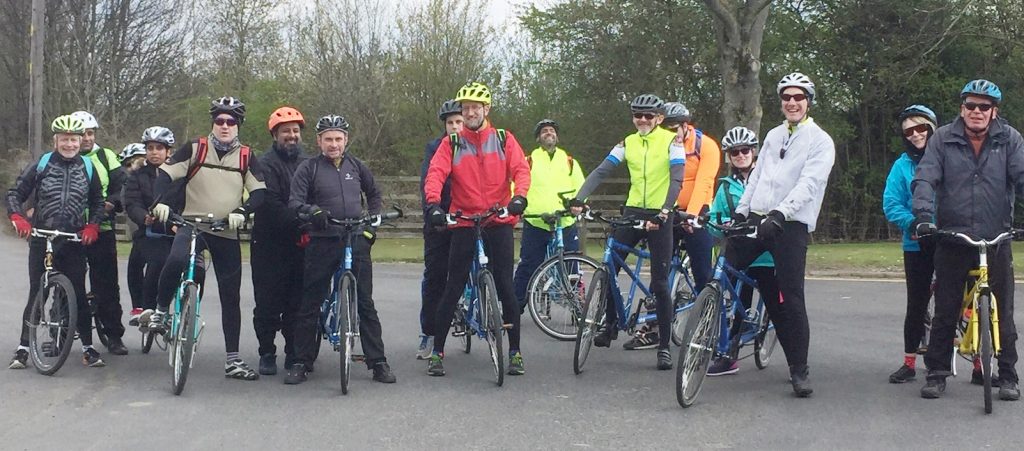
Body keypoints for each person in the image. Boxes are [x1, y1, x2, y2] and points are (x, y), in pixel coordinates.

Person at [912, 79, 1021, 401]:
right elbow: (926, 177)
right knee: (946, 309)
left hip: (995, 235)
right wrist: (922, 217)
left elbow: (1022, 175)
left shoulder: (1009, 139)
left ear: (994, 111)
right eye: (970, 106)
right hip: (953, 236)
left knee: (1005, 311)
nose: (976, 112)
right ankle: (936, 373)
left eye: (983, 107)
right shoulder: (943, 138)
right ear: (962, 108)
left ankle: (1008, 375)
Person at [728, 72, 836, 397]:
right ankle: (716, 338)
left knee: (791, 298)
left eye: (798, 97)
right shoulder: (774, 135)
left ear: (808, 102)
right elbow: (757, 177)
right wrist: (740, 212)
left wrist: (780, 213)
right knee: (723, 271)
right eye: (786, 97)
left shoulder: (820, 140)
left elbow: (809, 184)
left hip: (790, 225)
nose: (792, 102)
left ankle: (799, 370)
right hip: (759, 218)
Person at [149, 96, 266, 381]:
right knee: (176, 259)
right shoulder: (195, 148)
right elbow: (165, 175)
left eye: (231, 121)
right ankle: (161, 311)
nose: (225, 126)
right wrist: (160, 202)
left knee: (230, 295)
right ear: (213, 123)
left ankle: (233, 360)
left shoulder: (247, 156)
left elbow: (261, 192)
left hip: (225, 230)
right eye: (220, 120)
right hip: (192, 224)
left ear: (238, 125)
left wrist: (243, 210)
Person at [570, 93, 686, 370]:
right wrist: (579, 197)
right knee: (611, 266)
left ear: (659, 118)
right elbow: (602, 171)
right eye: (638, 115)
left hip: (661, 213)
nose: (642, 120)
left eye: (648, 116)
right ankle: (610, 325)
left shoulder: (672, 141)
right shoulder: (628, 142)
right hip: (633, 209)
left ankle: (663, 345)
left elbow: (677, 179)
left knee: (659, 282)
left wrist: (666, 210)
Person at [423, 82, 531, 377]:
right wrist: (434, 205)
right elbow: (435, 174)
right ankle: (438, 351)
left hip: (498, 219)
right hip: (465, 220)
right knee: (453, 285)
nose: (470, 112)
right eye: (465, 108)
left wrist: (519, 197)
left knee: (506, 287)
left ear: (487, 109)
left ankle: (515, 351)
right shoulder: (452, 143)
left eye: (475, 107)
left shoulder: (503, 138)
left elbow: (521, 170)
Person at [286, 114, 396, 385]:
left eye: (338, 139)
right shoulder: (309, 168)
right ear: (319, 141)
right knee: (311, 302)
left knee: (366, 303)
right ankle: (301, 361)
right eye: (328, 139)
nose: (333, 144)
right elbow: (295, 202)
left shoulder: (357, 166)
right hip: (323, 239)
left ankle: (378, 362)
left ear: (346, 140)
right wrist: (313, 212)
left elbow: (375, 195)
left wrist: (372, 226)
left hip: (355, 236)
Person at [7, 115, 105, 369]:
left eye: (74, 139)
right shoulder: (42, 163)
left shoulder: (88, 166)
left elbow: (97, 201)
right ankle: (23, 348)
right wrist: (17, 216)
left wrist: (93, 225)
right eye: (64, 139)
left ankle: (88, 348)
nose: (70, 144)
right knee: (37, 292)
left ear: (80, 140)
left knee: (78, 296)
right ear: (56, 140)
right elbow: (15, 192)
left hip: (72, 239)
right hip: (42, 237)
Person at [623, 101, 720, 351]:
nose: (672, 132)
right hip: (668, 212)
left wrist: (693, 215)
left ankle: (710, 328)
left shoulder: (705, 146)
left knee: (702, 273)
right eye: (667, 127)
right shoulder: (662, 143)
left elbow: (704, 182)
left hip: (695, 212)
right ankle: (654, 328)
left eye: (676, 127)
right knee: (660, 276)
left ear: (686, 125)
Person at [705, 126, 779, 376]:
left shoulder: (769, 178)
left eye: (745, 150)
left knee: (777, 303)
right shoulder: (725, 187)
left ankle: (796, 362)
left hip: (766, 253)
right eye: (734, 152)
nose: (740, 155)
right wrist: (719, 225)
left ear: (754, 151)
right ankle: (729, 355)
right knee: (737, 300)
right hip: (739, 249)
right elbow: (716, 217)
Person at [882, 105, 939, 384]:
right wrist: (912, 222)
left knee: (959, 301)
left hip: (950, 240)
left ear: (932, 127)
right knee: (916, 303)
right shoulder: (901, 166)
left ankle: (978, 363)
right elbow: (891, 203)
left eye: (921, 128)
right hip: (917, 242)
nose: (915, 134)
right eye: (909, 131)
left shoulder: (948, 158)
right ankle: (909, 362)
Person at [251, 106, 309, 376]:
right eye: (286, 131)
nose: (292, 136)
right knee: (267, 302)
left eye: (295, 131)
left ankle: (293, 352)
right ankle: (266, 352)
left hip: (300, 243)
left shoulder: (307, 162)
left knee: (296, 302)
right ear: (275, 135)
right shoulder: (264, 164)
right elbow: (269, 203)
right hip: (269, 242)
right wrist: (301, 217)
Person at [70, 110, 129, 356]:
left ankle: (114, 334)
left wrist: (111, 203)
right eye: (81, 134)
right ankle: (60, 332)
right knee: (68, 281)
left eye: (91, 133)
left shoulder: (107, 157)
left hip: (101, 229)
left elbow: (122, 186)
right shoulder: (65, 156)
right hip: (70, 230)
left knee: (106, 284)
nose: (86, 138)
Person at [512, 118, 586, 312]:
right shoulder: (528, 161)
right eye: (544, 131)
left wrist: (580, 204)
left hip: (565, 221)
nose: (549, 133)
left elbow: (582, 187)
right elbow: (516, 186)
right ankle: (513, 308)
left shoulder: (569, 161)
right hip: (536, 221)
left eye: (552, 131)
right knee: (528, 265)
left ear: (557, 137)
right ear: (538, 137)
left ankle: (579, 308)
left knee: (572, 265)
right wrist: (517, 206)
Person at [417, 99, 463, 360]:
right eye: (450, 123)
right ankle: (430, 331)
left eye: (458, 121)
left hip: (468, 216)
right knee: (435, 276)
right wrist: (434, 213)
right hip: (441, 219)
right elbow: (428, 182)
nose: (455, 127)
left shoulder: (474, 145)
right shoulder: (435, 148)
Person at [124, 127, 178, 332]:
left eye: (159, 148)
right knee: (156, 261)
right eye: (150, 148)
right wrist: (143, 217)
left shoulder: (179, 174)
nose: (154, 152)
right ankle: (148, 308)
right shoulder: (137, 176)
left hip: (175, 228)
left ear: (168, 151)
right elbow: (131, 202)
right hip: (150, 231)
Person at [119, 142, 148, 326]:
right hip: (141, 227)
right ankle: (138, 305)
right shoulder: (129, 182)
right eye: (127, 165)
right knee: (135, 263)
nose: (130, 168)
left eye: (134, 163)